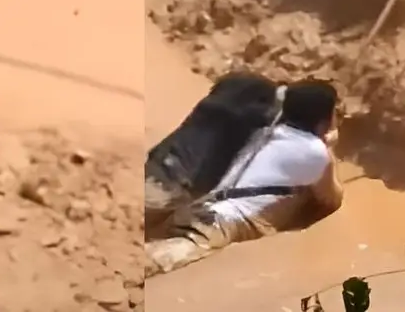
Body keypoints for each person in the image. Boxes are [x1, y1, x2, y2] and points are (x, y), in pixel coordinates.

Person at [145, 78, 344, 278]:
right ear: (323, 122)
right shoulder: (314, 151)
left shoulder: (265, 131)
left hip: (197, 208)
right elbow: (331, 199)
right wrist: (328, 149)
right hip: (221, 224)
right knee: (152, 264)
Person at [145, 71, 280, 236]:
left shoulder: (214, 108)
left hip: (169, 177)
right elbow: (261, 116)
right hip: (169, 180)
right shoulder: (228, 112)